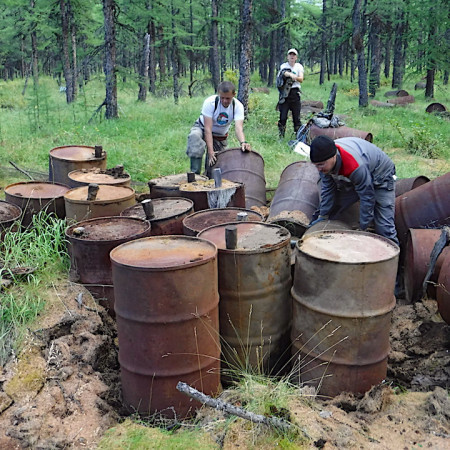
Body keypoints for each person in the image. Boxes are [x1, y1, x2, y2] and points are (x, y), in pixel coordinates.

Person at [309, 135, 399, 245]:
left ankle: (393, 256)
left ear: (333, 156)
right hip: (357, 176)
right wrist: (323, 216)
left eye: (321, 165)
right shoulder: (324, 161)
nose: (318, 169)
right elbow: (328, 190)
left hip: (381, 174)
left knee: (384, 227)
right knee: (334, 209)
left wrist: (363, 228)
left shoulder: (354, 165)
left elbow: (367, 196)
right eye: (315, 165)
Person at [186, 81, 251, 177]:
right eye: (222, 98)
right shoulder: (210, 103)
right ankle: (195, 176)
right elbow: (208, 129)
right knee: (194, 137)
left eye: (228, 98)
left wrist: (243, 142)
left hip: (219, 136)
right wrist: (210, 151)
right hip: (202, 128)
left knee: (215, 165)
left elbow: (238, 128)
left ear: (234, 95)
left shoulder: (238, 106)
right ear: (218, 94)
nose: (224, 101)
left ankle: (208, 177)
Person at [277, 48, 304, 138]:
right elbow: (283, 74)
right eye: (290, 55)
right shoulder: (283, 66)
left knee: (297, 118)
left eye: (294, 55)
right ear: (287, 56)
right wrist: (289, 74)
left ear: (296, 57)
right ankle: (281, 136)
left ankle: (298, 137)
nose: (292, 56)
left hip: (295, 93)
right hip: (285, 94)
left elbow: (301, 79)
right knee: (283, 117)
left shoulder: (299, 66)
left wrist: (294, 77)